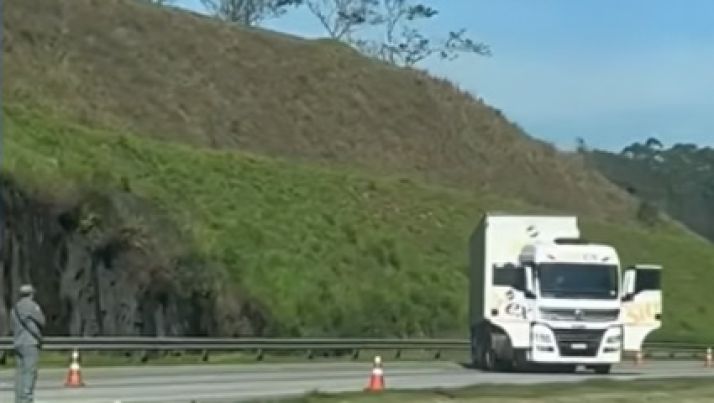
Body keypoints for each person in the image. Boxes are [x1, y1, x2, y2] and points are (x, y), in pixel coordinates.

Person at [10, 284, 45, 403]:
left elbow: (12, 326)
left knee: (20, 373)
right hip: (30, 343)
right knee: (30, 373)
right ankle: (27, 399)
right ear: (31, 294)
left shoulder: (14, 308)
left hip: (18, 342)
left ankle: (19, 399)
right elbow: (41, 321)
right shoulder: (32, 306)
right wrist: (39, 337)